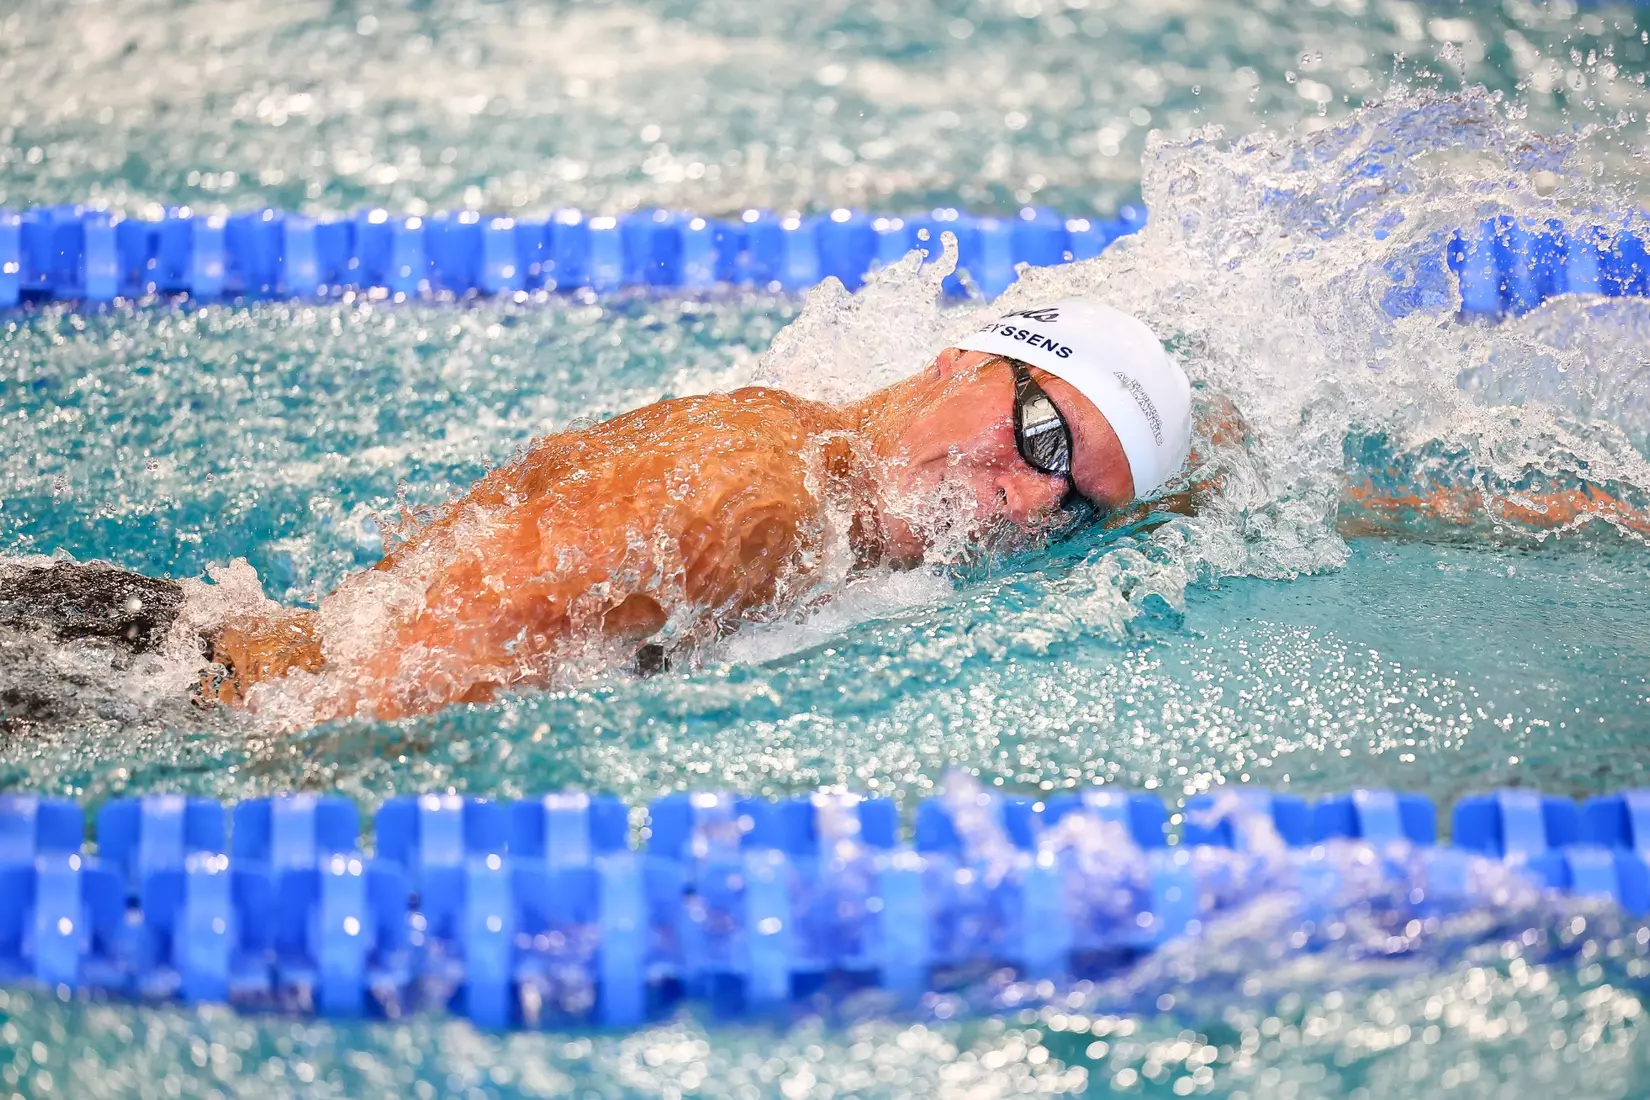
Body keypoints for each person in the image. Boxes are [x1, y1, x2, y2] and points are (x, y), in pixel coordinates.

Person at [2, 297, 1643, 727]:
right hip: (143, 694)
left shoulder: (839, 457)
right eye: (1026, 431)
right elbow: (347, 706)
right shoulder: (757, 509)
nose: (1014, 494)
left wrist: (1538, 515)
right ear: (953, 363)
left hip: (172, 634)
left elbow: (1223, 493)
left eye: (1066, 500)